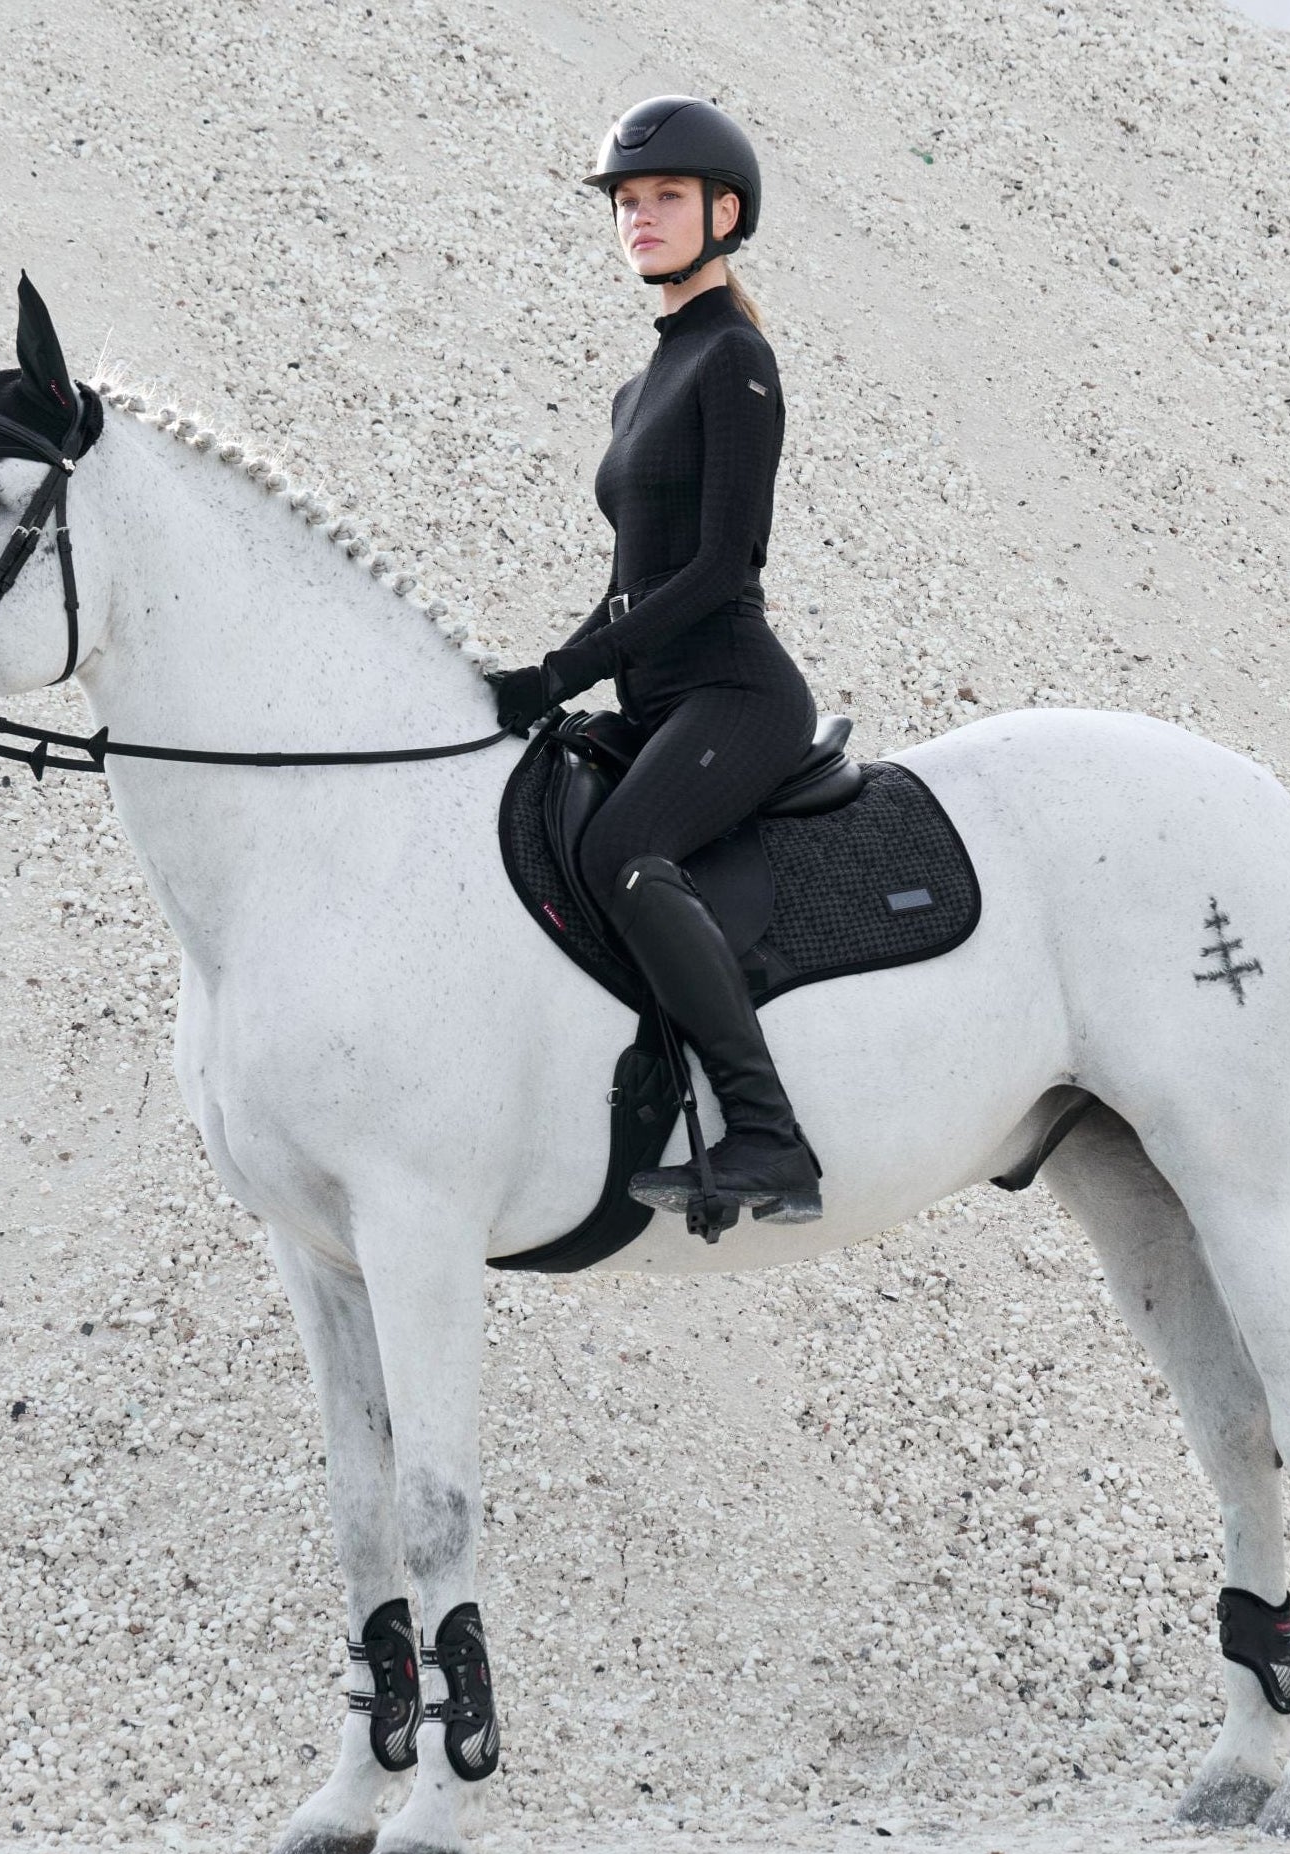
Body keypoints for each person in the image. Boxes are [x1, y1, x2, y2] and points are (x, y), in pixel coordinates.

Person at [485, 95, 823, 1225]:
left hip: (737, 690)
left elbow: (719, 569)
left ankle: (770, 1137)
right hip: (661, 691)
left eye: (664, 197)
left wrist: (568, 671)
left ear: (725, 212)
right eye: (627, 202)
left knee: (629, 846)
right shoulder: (643, 384)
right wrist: (547, 674)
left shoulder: (735, 360)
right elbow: (635, 577)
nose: (639, 217)